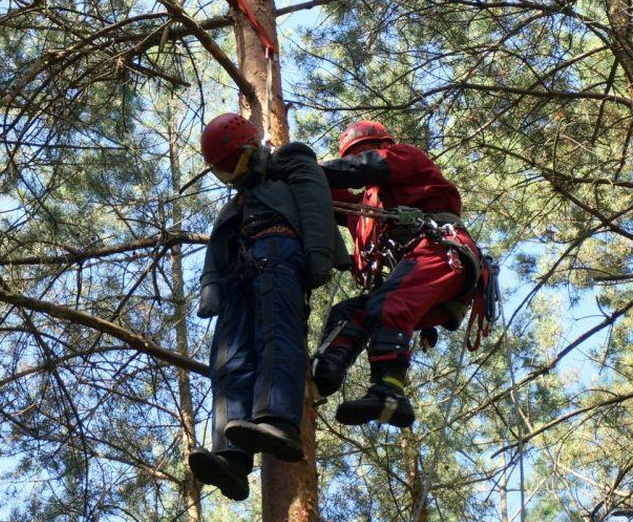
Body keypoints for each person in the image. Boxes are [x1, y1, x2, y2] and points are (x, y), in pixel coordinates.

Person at [188, 112, 348, 500]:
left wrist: (317, 253)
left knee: (277, 334)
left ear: (252, 149)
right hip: (239, 274)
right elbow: (217, 248)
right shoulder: (237, 202)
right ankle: (232, 457)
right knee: (229, 359)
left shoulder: (288, 160)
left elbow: (314, 199)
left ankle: (278, 420)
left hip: (279, 252)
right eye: (223, 170)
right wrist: (211, 290)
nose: (232, 175)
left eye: (234, 164)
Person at [312, 120, 481, 428]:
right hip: (418, 276)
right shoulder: (365, 209)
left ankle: (389, 392)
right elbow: (333, 197)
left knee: (388, 303)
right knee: (350, 314)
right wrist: (299, 171)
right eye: (354, 155)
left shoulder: (404, 158)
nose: (358, 161)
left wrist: (316, 168)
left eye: (363, 153)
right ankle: (322, 375)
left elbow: (368, 167)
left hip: (438, 252)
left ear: (382, 146)